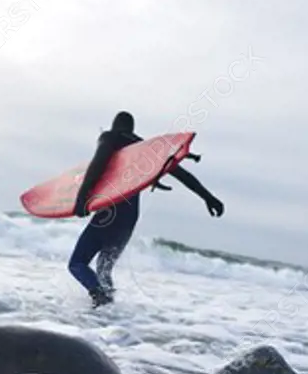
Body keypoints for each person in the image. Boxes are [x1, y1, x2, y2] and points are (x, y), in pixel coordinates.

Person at [68, 111, 224, 307]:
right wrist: (208, 197)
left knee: (77, 263)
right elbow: (179, 172)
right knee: (104, 270)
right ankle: (106, 314)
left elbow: (98, 164)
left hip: (110, 211)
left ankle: (99, 295)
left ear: (115, 126)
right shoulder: (145, 148)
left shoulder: (110, 137)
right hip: (129, 217)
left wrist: (82, 197)